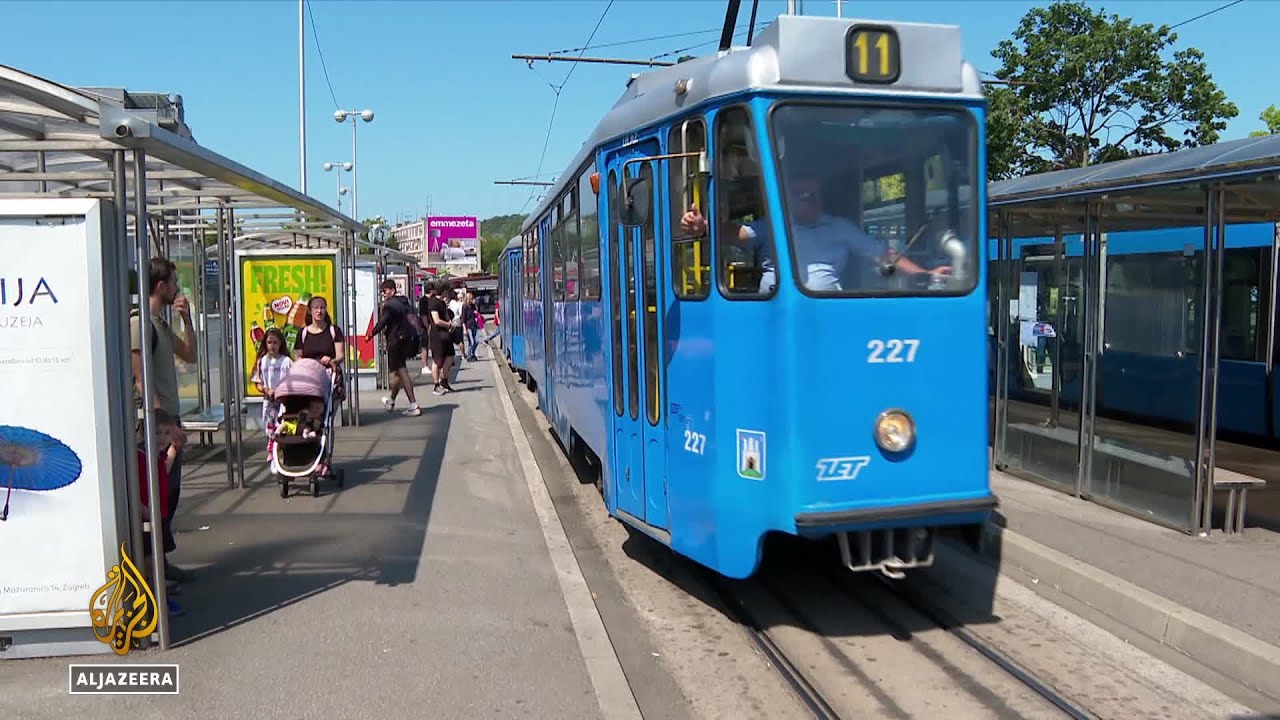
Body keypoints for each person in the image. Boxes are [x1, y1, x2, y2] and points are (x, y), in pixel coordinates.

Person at [679, 173, 950, 292]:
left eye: (815, 194)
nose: (811, 200)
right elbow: (738, 234)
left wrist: (925, 274)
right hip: (771, 311)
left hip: (825, 311)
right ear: (789, 199)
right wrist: (705, 227)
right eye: (803, 195)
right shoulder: (775, 225)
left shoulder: (838, 228)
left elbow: (883, 255)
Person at [130, 256, 195, 585]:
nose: (176, 288)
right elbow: (140, 378)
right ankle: (152, 569)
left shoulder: (161, 324)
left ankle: (162, 563)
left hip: (168, 417)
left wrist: (187, 320)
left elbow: (189, 354)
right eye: (173, 282)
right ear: (161, 286)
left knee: (169, 493)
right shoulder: (139, 323)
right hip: (155, 421)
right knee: (154, 494)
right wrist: (163, 423)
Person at [135, 408, 184, 617]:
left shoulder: (156, 455)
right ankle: (157, 602)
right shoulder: (140, 457)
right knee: (151, 564)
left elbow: (164, 469)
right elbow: (134, 493)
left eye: (166, 433)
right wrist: (149, 513)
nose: (162, 438)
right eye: (156, 433)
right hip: (149, 517)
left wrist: (173, 448)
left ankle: (159, 598)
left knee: (156, 561)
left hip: (157, 516)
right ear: (143, 433)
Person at [366, 279, 422, 416]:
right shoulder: (404, 302)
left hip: (395, 341)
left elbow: (383, 322)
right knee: (397, 372)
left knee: (401, 371)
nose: (383, 294)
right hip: (406, 339)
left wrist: (371, 334)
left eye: (384, 291)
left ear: (392, 290)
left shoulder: (389, 305)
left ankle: (413, 404)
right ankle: (391, 401)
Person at [293, 295, 346, 401]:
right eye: (316, 308)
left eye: (322, 308)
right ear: (310, 311)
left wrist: (331, 361)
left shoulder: (334, 331)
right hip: (309, 378)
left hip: (330, 377)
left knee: (329, 407)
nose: (319, 311)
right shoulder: (302, 333)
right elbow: (297, 357)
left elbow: (340, 355)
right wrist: (309, 363)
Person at [251, 328, 293, 457]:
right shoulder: (262, 361)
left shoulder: (286, 361)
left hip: (283, 400)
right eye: (269, 342)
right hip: (268, 400)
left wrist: (280, 390)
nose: (272, 346)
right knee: (269, 426)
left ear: (280, 344)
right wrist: (265, 389)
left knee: (281, 426)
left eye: (275, 343)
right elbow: (258, 381)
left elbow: (291, 381)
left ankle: (279, 449)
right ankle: (271, 449)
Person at [423, 281, 456, 395]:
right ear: (444, 291)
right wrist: (448, 325)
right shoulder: (433, 303)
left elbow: (446, 316)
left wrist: (450, 324)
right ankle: (436, 385)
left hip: (446, 334)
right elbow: (436, 320)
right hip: (437, 335)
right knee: (437, 360)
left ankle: (444, 381)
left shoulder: (442, 303)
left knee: (450, 357)